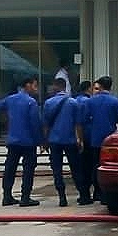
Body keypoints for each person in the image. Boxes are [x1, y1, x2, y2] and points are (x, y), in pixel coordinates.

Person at [79, 75, 118, 205]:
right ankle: (105, 194)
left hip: (95, 139)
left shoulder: (90, 101)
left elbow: (84, 120)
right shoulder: (115, 101)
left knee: (95, 166)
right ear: (110, 86)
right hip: (110, 140)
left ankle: (96, 193)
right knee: (108, 166)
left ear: (101, 86)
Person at [1, 76, 44, 207]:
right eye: (35, 86)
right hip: (28, 142)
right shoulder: (31, 102)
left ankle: (7, 196)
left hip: (13, 141)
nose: (37, 89)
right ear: (28, 85)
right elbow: (35, 124)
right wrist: (40, 141)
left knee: (10, 168)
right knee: (28, 170)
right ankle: (25, 197)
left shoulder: (10, 99)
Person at [43, 77, 82, 207]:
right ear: (65, 87)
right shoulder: (73, 102)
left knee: (57, 170)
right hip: (70, 140)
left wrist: (45, 141)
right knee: (76, 168)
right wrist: (79, 139)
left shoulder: (49, 103)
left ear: (55, 87)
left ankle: (62, 197)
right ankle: (82, 194)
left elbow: (46, 125)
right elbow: (78, 124)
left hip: (54, 140)